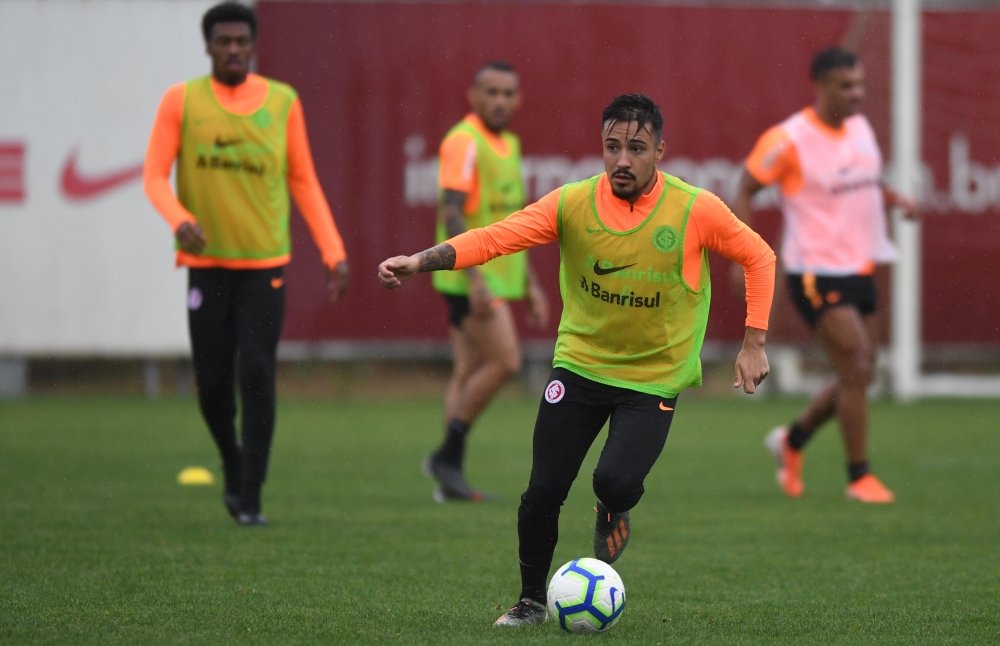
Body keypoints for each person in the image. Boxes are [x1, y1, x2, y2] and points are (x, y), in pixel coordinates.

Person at [378, 94, 775, 626]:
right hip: (580, 365)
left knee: (612, 480)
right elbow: (497, 238)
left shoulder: (694, 208)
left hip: (653, 377)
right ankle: (530, 602)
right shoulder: (572, 203)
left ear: (660, 150)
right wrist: (421, 261)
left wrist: (754, 343)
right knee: (543, 489)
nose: (622, 160)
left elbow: (759, 256)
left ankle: (613, 509)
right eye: (613, 147)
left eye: (636, 148)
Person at [143, 1, 349, 526]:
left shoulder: (282, 101)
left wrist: (332, 250)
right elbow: (152, 177)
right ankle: (232, 461)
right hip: (206, 263)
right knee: (212, 383)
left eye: (241, 41)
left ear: (253, 46)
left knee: (256, 371)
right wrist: (178, 218)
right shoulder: (181, 101)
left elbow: (302, 178)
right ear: (208, 46)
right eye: (223, 42)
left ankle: (251, 494)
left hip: (265, 265)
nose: (233, 50)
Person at [732, 46, 917, 504]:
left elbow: (865, 182)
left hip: (860, 265)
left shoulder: (860, 128)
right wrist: (742, 257)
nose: (857, 94)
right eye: (846, 86)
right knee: (856, 366)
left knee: (859, 372)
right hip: (814, 270)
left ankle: (792, 442)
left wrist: (896, 200)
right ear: (821, 86)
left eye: (860, 85)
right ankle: (859, 477)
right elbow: (745, 188)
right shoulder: (788, 139)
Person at [424, 61, 548, 502]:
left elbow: (514, 224)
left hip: (495, 278)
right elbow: (452, 212)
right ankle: (447, 455)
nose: (500, 101)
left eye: (508, 93)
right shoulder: (464, 140)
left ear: (519, 99)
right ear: (472, 95)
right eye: (491, 92)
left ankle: (448, 474)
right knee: (508, 361)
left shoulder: (508, 144)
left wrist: (530, 283)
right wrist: (476, 279)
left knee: (467, 371)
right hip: (471, 281)